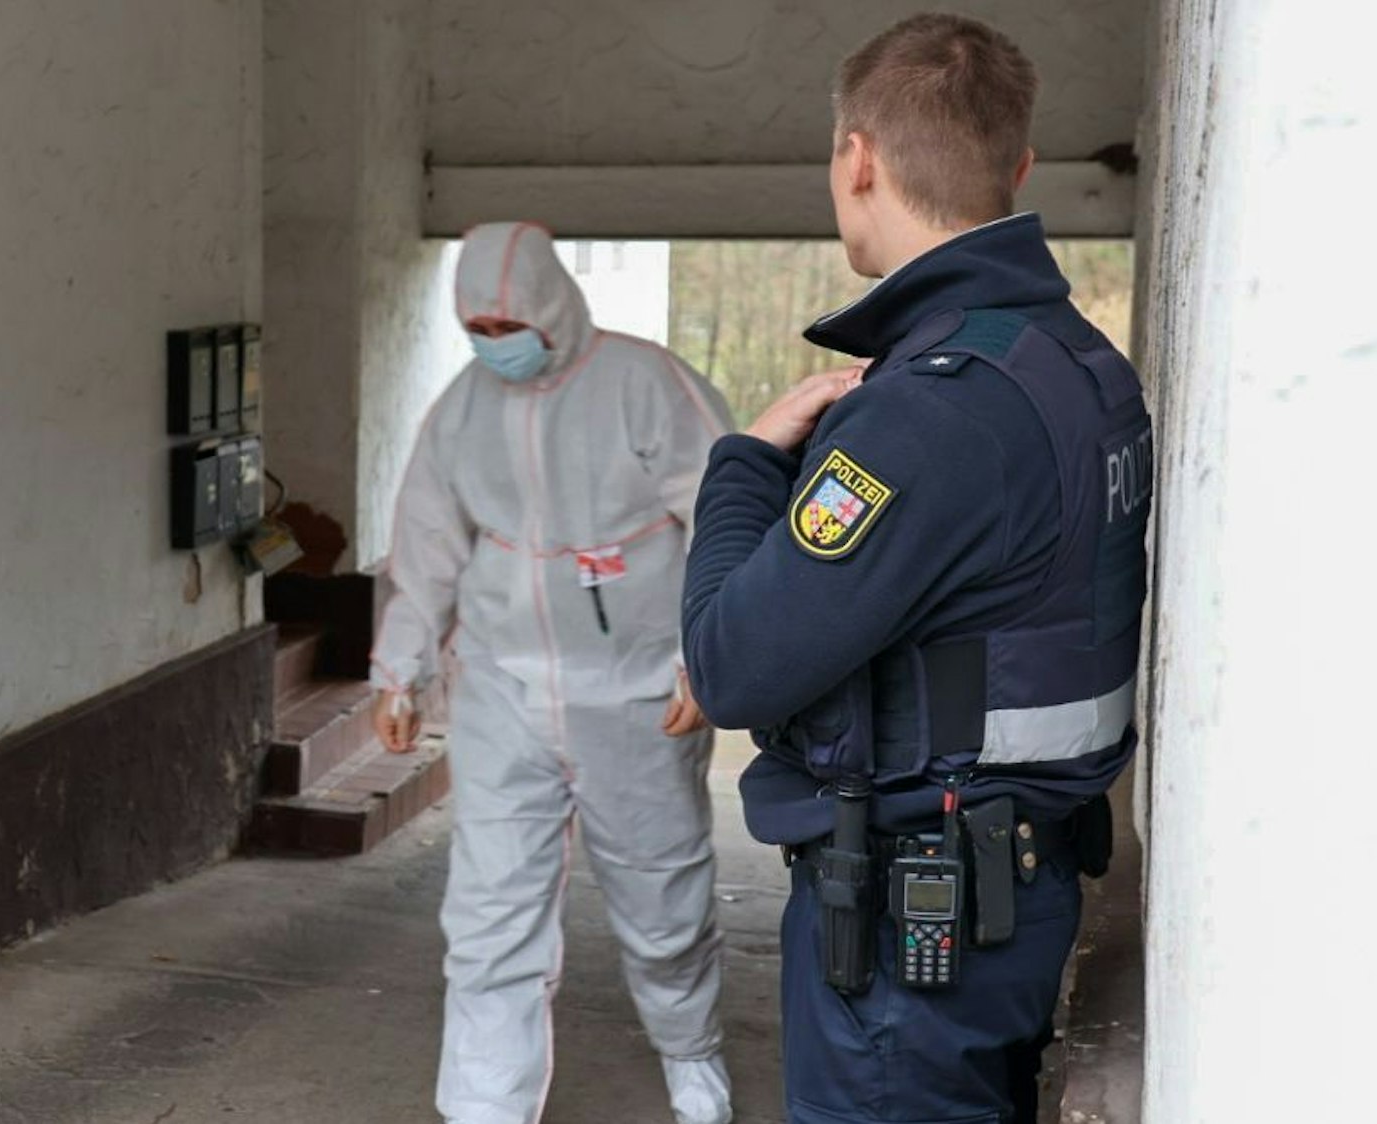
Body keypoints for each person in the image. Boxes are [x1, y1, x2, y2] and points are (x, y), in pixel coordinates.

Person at [681, 14, 1153, 1124]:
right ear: (1018, 169)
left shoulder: (925, 413)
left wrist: (744, 465)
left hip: (906, 942)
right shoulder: (1080, 365)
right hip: (1013, 891)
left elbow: (731, 666)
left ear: (856, 160)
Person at [370, 221, 737, 1124]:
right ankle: (483, 1105)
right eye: (480, 331)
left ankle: (692, 1055)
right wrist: (400, 669)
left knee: (663, 892)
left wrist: (709, 658)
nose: (497, 346)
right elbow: (426, 545)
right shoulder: (461, 411)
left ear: (551, 307)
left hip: (640, 686)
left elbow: (725, 523)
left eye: (509, 326)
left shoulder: (647, 385)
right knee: (490, 909)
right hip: (504, 688)